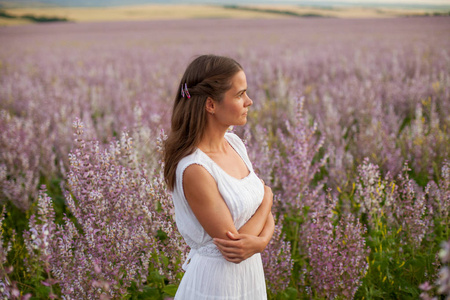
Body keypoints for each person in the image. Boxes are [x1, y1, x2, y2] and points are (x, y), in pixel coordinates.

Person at [163, 54, 275, 299]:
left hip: (249, 278)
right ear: (211, 105)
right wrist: (267, 199)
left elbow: (258, 220)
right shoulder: (195, 169)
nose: (249, 101)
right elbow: (235, 248)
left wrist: (261, 240)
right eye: (239, 94)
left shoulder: (234, 144)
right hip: (216, 285)